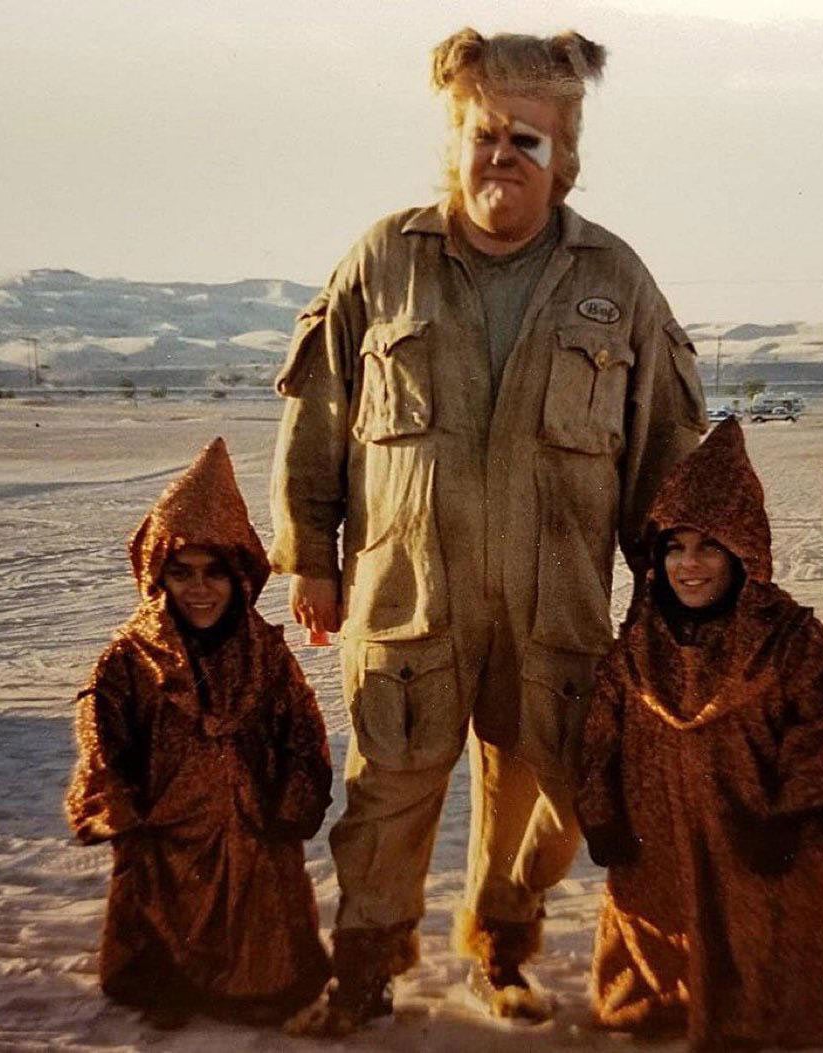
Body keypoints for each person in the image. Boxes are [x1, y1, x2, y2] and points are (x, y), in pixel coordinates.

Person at [269, 27, 707, 1030]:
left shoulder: (615, 280)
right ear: (456, 143)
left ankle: (500, 945)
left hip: (555, 604)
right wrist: (312, 557)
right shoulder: (386, 259)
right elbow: (317, 414)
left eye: (526, 139)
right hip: (407, 594)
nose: (501, 155)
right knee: (388, 790)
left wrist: (672, 590)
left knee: (548, 792)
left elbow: (666, 444)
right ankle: (364, 966)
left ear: (564, 157)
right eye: (484, 135)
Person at [577, 418, 823, 1051]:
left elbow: (821, 734)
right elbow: (602, 741)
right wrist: (602, 815)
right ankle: (661, 1006)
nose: (689, 565)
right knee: (662, 966)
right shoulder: (637, 647)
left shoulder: (790, 640)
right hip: (660, 848)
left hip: (762, 840)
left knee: (772, 985)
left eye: (710, 547)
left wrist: (800, 818)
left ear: (744, 552)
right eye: (675, 547)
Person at [66, 437, 332, 1030]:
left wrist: (295, 798)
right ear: (158, 574)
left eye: (215, 573)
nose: (200, 588)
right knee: (161, 940)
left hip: (253, 830)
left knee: (266, 968)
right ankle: (167, 984)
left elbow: (302, 731)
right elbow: (100, 734)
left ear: (239, 575)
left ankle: (257, 985)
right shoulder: (130, 657)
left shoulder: (265, 652)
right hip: (164, 833)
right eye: (182, 573)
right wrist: (118, 806)